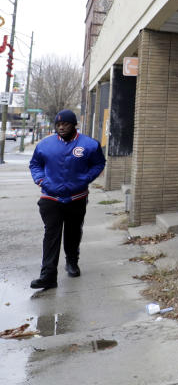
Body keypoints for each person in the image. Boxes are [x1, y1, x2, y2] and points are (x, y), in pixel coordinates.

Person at [28, 109, 106, 289]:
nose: (61, 127)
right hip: (50, 197)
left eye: (66, 124)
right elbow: (35, 165)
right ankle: (48, 275)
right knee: (51, 234)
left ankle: (72, 261)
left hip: (76, 197)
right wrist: (41, 180)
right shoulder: (45, 145)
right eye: (58, 124)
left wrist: (85, 179)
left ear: (74, 125)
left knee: (73, 231)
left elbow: (98, 163)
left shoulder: (89, 144)